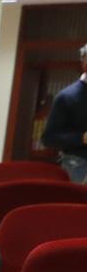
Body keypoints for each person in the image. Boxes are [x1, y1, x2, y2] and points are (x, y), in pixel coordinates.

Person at [39, 42, 87, 182]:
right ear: (84, 62)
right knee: (78, 204)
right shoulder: (67, 96)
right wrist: (82, 138)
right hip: (79, 165)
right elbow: (48, 138)